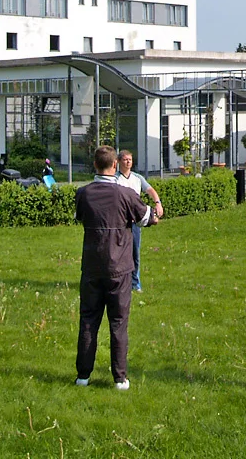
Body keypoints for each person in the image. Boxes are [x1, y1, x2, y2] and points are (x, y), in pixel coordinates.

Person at [75, 146, 160, 390]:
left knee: (88, 321)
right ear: (115, 165)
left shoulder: (83, 193)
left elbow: (80, 217)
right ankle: (120, 378)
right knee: (118, 322)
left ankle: (83, 376)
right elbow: (147, 218)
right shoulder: (124, 193)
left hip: (91, 267)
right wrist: (155, 215)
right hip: (120, 268)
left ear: (94, 164)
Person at [114, 150, 164, 293]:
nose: (128, 162)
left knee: (135, 253)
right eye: (125, 159)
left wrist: (158, 203)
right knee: (119, 253)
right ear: (118, 162)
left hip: (135, 221)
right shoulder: (115, 179)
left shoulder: (137, 178)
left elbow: (150, 190)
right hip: (121, 221)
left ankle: (135, 284)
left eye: (130, 159)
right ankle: (120, 282)